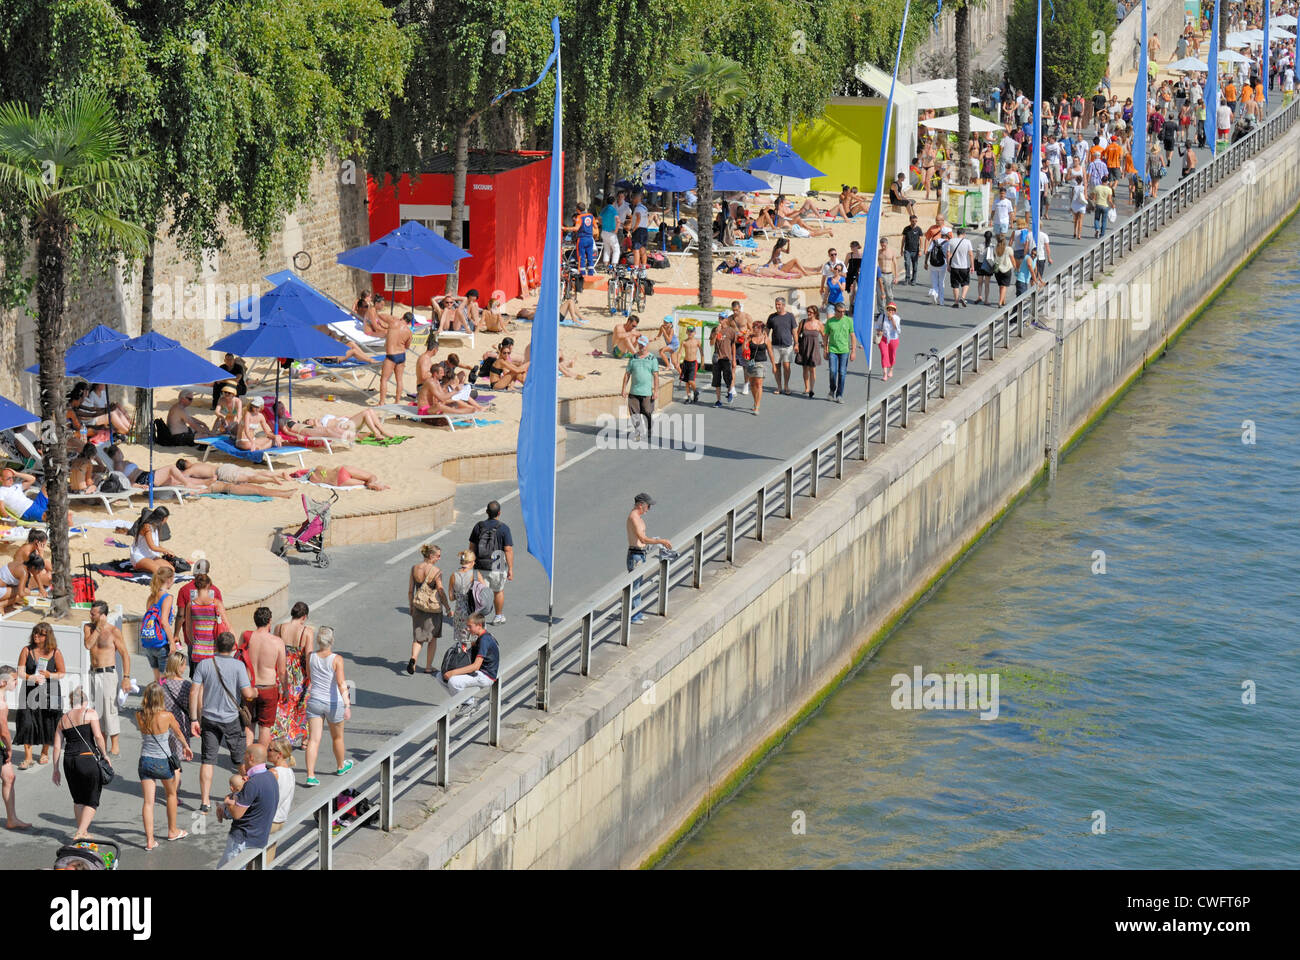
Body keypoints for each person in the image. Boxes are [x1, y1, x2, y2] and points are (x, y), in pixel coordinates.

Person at [190, 631, 256, 814]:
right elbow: (248, 694)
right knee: (239, 759)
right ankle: (246, 796)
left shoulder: (204, 664)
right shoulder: (238, 666)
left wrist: (194, 719)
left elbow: (194, 692)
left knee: (208, 760)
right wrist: (256, 692)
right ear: (234, 647)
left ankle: (205, 802)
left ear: (215, 647)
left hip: (209, 719)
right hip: (231, 718)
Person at [136, 682, 193, 850]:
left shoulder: (139, 715)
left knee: (148, 802)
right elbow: (178, 733)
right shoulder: (167, 716)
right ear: (160, 698)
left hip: (145, 759)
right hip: (162, 761)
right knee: (171, 795)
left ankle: (149, 841)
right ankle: (172, 830)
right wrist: (186, 747)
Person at [50, 687, 108, 840]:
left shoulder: (62, 720)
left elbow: (57, 746)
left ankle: (83, 831)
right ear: (85, 701)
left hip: (69, 761)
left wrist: (55, 769)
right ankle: (80, 833)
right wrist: (105, 754)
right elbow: (98, 736)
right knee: (92, 798)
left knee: (78, 799)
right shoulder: (90, 713)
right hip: (87, 758)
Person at [302, 627, 352, 787]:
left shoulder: (310, 657)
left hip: (315, 700)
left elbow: (309, 676)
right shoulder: (337, 659)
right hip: (333, 702)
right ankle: (340, 766)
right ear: (332, 641)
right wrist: (347, 704)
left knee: (313, 739)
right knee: (337, 737)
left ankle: (310, 775)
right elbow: (341, 683)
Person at [217, 743, 280, 867]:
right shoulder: (270, 776)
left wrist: (228, 802)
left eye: (245, 755)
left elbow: (237, 814)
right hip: (259, 836)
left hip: (243, 838)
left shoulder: (253, 783)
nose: (243, 758)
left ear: (251, 757)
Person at [81, 600, 130, 757]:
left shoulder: (113, 631)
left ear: (103, 615)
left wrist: (126, 677)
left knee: (110, 709)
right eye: (91, 612)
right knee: (98, 711)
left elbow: (125, 655)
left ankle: (115, 745)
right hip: (94, 673)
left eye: (93, 613)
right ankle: (102, 743)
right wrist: (98, 627)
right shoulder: (88, 628)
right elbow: (88, 645)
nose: (90, 615)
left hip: (108, 673)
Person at [14, 622, 64, 768]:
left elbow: (62, 673)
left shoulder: (55, 652)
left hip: (51, 691)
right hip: (29, 690)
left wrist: (49, 675)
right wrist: (31, 678)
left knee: (48, 723)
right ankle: (28, 757)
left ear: (47, 636)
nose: (36, 635)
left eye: (40, 633)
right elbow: (20, 672)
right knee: (26, 722)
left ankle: (44, 752)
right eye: (35, 632)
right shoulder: (26, 650)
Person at [625, 493, 671, 624]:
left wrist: (654, 542)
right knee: (634, 586)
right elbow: (642, 539)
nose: (649, 509)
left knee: (638, 585)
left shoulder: (638, 517)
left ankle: (637, 613)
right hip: (635, 555)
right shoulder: (633, 518)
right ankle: (633, 616)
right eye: (648, 506)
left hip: (640, 553)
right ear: (641, 505)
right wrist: (660, 541)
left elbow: (644, 540)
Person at [272, 602, 313, 747]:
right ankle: (304, 738)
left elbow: (275, 649)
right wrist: (310, 675)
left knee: (283, 703)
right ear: (304, 617)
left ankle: (282, 735)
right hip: (299, 672)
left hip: (282, 668)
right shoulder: (306, 632)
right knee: (302, 704)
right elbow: (308, 656)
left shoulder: (280, 628)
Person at [244, 606, 285, 748]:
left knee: (249, 723)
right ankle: (259, 761)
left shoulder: (246, 636)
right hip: (268, 688)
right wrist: (284, 689)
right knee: (265, 726)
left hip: (249, 686)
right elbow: (282, 671)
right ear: (270, 621)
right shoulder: (277, 642)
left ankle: (246, 757)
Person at [469, 500, 514, 624]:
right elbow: (508, 550)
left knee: (480, 592)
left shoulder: (479, 526)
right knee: (498, 591)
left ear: (486, 512)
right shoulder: (504, 528)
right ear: (499, 513)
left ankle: (479, 619)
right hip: (497, 564)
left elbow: (472, 547)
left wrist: (471, 564)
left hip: (480, 564)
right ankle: (498, 616)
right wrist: (510, 568)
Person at [408, 543, 450, 675]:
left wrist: (411, 606)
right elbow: (441, 591)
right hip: (433, 609)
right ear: (431, 556)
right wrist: (448, 608)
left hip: (418, 606)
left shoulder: (414, 568)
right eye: (438, 556)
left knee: (418, 637)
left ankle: (413, 659)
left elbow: (410, 591)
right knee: (432, 638)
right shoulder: (436, 571)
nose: (439, 558)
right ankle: (428, 666)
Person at [0, 666, 31, 829]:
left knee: (9, 777)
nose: (17, 683)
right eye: (14, 680)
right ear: (3, 682)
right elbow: (4, 731)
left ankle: (11, 819)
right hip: (1, 746)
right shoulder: (2, 704)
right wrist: (9, 749)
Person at [158, 651, 193, 788]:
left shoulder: (161, 682)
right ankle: (173, 791)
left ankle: (170, 785)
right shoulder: (186, 685)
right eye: (184, 665)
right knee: (176, 761)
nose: (185, 668)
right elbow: (189, 706)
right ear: (179, 666)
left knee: (168, 756)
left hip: (163, 724)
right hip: (180, 724)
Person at [138, 565, 178, 680]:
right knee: (165, 679)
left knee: (157, 678)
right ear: (168, 579)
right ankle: (161, 697)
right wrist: (172, 642)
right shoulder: (167, 597)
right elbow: (164, 621)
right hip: (161, 643)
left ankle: (156, 697)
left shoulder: (151, 597)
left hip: (149, 642)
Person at [184, 570, 227, 674]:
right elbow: (226, 624)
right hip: (214, 649)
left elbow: (188, 628)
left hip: (198, 650)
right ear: (209, 585)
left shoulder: (191, 604)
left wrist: (195, 643)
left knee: (199, 682)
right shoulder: (216, 603)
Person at [621, 335, 660, 442]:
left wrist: (656, 391)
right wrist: (623, 389)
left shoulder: (652, 358)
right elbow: (627, 374)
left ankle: (650, 427)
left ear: (647, 345)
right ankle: (637, 432)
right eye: (640, 344)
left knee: (647, 411)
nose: (641, 346)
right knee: (634, 414)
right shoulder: (633, 358)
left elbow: (656, 376)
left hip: (647, 392)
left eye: (643, 344)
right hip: (634, 391)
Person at [264, 739, 296, 864]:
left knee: (254, 858)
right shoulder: (290, 772)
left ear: (279, 754)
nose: (267, 752)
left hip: (268, 820)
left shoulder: (273, 773)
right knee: (268, 856)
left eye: (270, 749)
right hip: (280, 819)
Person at [822, 303, 857, 403]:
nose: (842, 313)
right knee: (833, 371)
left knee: (842, 373)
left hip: (844, 351)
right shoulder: (830, 321)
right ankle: (832, 390)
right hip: (833, 350)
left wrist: (853, 351)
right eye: (840, 311)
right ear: (835, 311)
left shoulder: (849, 320)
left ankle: (839, 394)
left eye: (843, 312)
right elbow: (825, 336)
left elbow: (853, 336)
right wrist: (825, 349)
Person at [764, 297, 797, 396]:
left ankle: (786, 386)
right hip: (775, 346)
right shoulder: (772, 317)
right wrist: (765, 341)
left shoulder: (790, 316)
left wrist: (796, 343)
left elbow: (794, 331)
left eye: (779, 304)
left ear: (783, 305)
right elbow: (766, 331)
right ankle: (779, 386)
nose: (777, 306)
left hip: (787, 346)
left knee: (787, 366)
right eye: (776, 304)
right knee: (777, 367)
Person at [795, 306, 824, 398]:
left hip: (814, 349)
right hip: (804, 347)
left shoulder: (819, 324)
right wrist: (796, 344)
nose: (809, 313)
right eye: (808, 312)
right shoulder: (803, 322)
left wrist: (826, 346)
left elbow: (824, 335)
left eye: (811, 312)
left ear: (815, 313)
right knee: (805, 369)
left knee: (812, 369)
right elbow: (797, 334)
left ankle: (812, 389)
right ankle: (806, 387)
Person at [562, 201, 598, 276]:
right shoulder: (591, 216)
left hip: (582, 239)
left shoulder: (580, 217)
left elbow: (576, 228)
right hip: (590, 239)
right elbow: (595, 227)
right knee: (590, 256)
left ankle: (582, 274)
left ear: (578, 210)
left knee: (581, 257)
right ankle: (591, 273)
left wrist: (565, 228)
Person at [742, 320, 770, 416]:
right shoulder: (750, 338)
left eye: (757, 327)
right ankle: (755, 401)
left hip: (761, 363)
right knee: (753, 384)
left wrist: (774, 365)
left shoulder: (766, 339)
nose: (754, 329)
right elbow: (744, 350)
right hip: (751, 362)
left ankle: (757, 405)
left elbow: (770, 352)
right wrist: (745, 340)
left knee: (758, 384)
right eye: (754, 327)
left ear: (761, 329)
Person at [302, 464, 390, 490]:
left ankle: (372, 484)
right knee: (372, 476)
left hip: (338, 481)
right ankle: (373, 483)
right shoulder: (319, 467)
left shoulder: (313, 478)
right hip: (342, 470)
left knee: (364, 483)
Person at [946, 227, 974, 308]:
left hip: (954, 266)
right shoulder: (967, 242)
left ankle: (956, 302)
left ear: (957, 233)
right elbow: (971, 254)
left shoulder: (951, 241)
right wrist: (972, 266)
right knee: (966, 283)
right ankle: (963, 297)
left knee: (955, 285)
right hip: (964, 267)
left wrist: (948, 265)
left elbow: (948, 254)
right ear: (964, 234)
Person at [875, 302, 901, 382]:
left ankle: (891, 369)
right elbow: (877, 326)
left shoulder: (897, 318)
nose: (891, 311)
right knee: (884, 354)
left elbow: (897, 329)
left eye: (893, 310)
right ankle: (885, 373)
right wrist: (879, 331)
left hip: (893, 339)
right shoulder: (882, 317)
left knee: (892, 355)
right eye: (889, 309)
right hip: (883, 338)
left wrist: (892, 319)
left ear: (895, 311)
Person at [927, 225, 950, 306]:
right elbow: (948, 254)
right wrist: (949, 265)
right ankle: (941, 301)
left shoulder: (934, 241)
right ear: (946, 234)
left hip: (933, 264)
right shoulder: (947, 243)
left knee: (934, 282)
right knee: (941, 282)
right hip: (942, 264)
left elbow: (928, 251)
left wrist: (925, 262)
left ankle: (934, 292)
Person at [679, 324, 701, 404]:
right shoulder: (684, 342)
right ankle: (689, 397)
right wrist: (678, 362)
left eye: (691, 332)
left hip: (693, 363)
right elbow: (680, 352)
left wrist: (702, 363)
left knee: (691, 381)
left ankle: (696, 391)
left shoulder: (697, 341)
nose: (690, 334)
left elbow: (701, 352)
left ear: (695, 333)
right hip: (686, 363)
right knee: (687, 382)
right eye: (689, 332)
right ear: (686, 332)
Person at [901, 216, 923, 286]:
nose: (914, 222)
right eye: (913, 221)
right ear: (910, 221)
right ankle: (907, 279)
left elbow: (921, 240)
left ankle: (913, 280)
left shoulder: (919, 229)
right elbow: (903, 239)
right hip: (907, 250)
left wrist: (920, 250)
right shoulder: (906, 229)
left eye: (916, 221)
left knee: (915, 266)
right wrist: (901, 249)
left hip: (915, 251)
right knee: (907, 264)